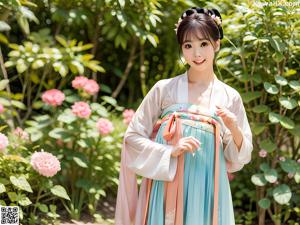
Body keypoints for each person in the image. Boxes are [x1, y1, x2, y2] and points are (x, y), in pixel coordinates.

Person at [115, 7, 253, 225]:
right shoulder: (164, 89)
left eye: (204, 44)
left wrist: (234, 128)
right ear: (182, 48)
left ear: (216, 44)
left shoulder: (229, 96)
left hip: (207, 187)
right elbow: (132, 137)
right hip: (166, 184)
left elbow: (240, 157)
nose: (196, 54)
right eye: (188, 46)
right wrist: (169, 151)